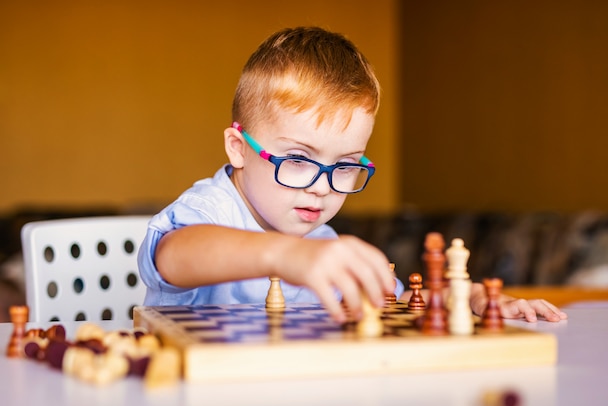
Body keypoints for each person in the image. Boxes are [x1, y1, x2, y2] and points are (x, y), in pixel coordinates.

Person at [138, 26, 567, 324]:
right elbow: (174, 255)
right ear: (239, 150)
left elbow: (396, 299)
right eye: (299, 159)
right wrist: (286, 255)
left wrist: (471, 298)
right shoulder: (212, 210)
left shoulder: (321, 239)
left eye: (344, 165)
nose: (322, 187)